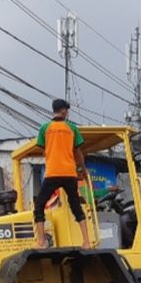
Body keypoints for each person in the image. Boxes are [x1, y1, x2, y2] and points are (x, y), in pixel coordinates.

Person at [34, 98, 92, 249]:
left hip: (52, 173)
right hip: (69, 173)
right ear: (64, 111)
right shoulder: (72, 128)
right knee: (75, 206)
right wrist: (83, 171)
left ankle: (41, 241)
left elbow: (43, 149)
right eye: (67, 111)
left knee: (39, 205)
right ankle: (86, 241)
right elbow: (78, 153)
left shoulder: (44, 128)